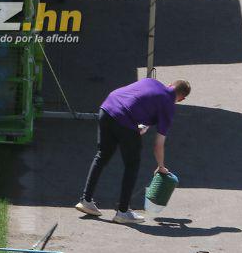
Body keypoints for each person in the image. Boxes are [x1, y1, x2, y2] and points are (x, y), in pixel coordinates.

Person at [75, 79, 190, 223]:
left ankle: (86, 200)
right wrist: (161, 166)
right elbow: (158, 144)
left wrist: (141, 126)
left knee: (102, 155)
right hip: (124, 120)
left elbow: (138, 100)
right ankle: (123, 212)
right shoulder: (169, 106)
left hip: (107, 107)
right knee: (132, 165)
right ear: (182, 99)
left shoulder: (151, 82)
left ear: (170, 85)